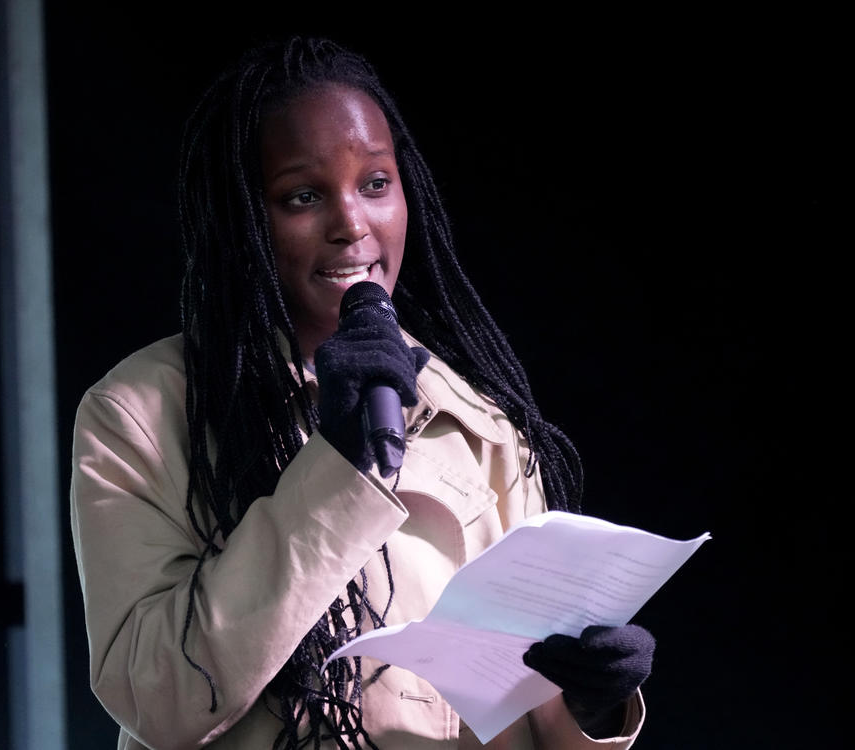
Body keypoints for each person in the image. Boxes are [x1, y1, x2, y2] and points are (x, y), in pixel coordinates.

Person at [70, 36, 655, 750]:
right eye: (303, 196)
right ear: (242, 220)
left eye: (375, 183)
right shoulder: (139, 416)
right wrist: (340, 470)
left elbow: (528, 715)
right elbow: (156, 698)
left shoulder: (483, 426)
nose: (352, 223)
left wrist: (591, 707)